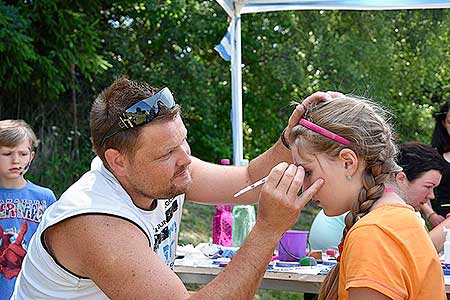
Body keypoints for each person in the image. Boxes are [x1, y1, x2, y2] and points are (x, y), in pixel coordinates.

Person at [12, 77, 330, 299]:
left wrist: (289, 139)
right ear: (117, 161)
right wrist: (268, 230)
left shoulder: (158, 174)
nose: (186, 158)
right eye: (167, 153)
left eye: (183, 140)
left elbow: (247, 180)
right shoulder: (96, 222)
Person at [288, 96, 445, 300]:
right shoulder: (398, 220)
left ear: (348, 163)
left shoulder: (373, 233)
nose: (303, 186)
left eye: (307, 171)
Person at [0, 119, 57, 299]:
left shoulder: (45, 198)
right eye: (7, 153)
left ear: (31, 156)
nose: (16, 160)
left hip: (31, 290)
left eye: (23, 154)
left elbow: (53, 250)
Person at [431, 99, 450, 222]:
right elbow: (418, 184)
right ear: (443, 123)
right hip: (443, 219)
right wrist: (431, 215)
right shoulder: (435, 155)